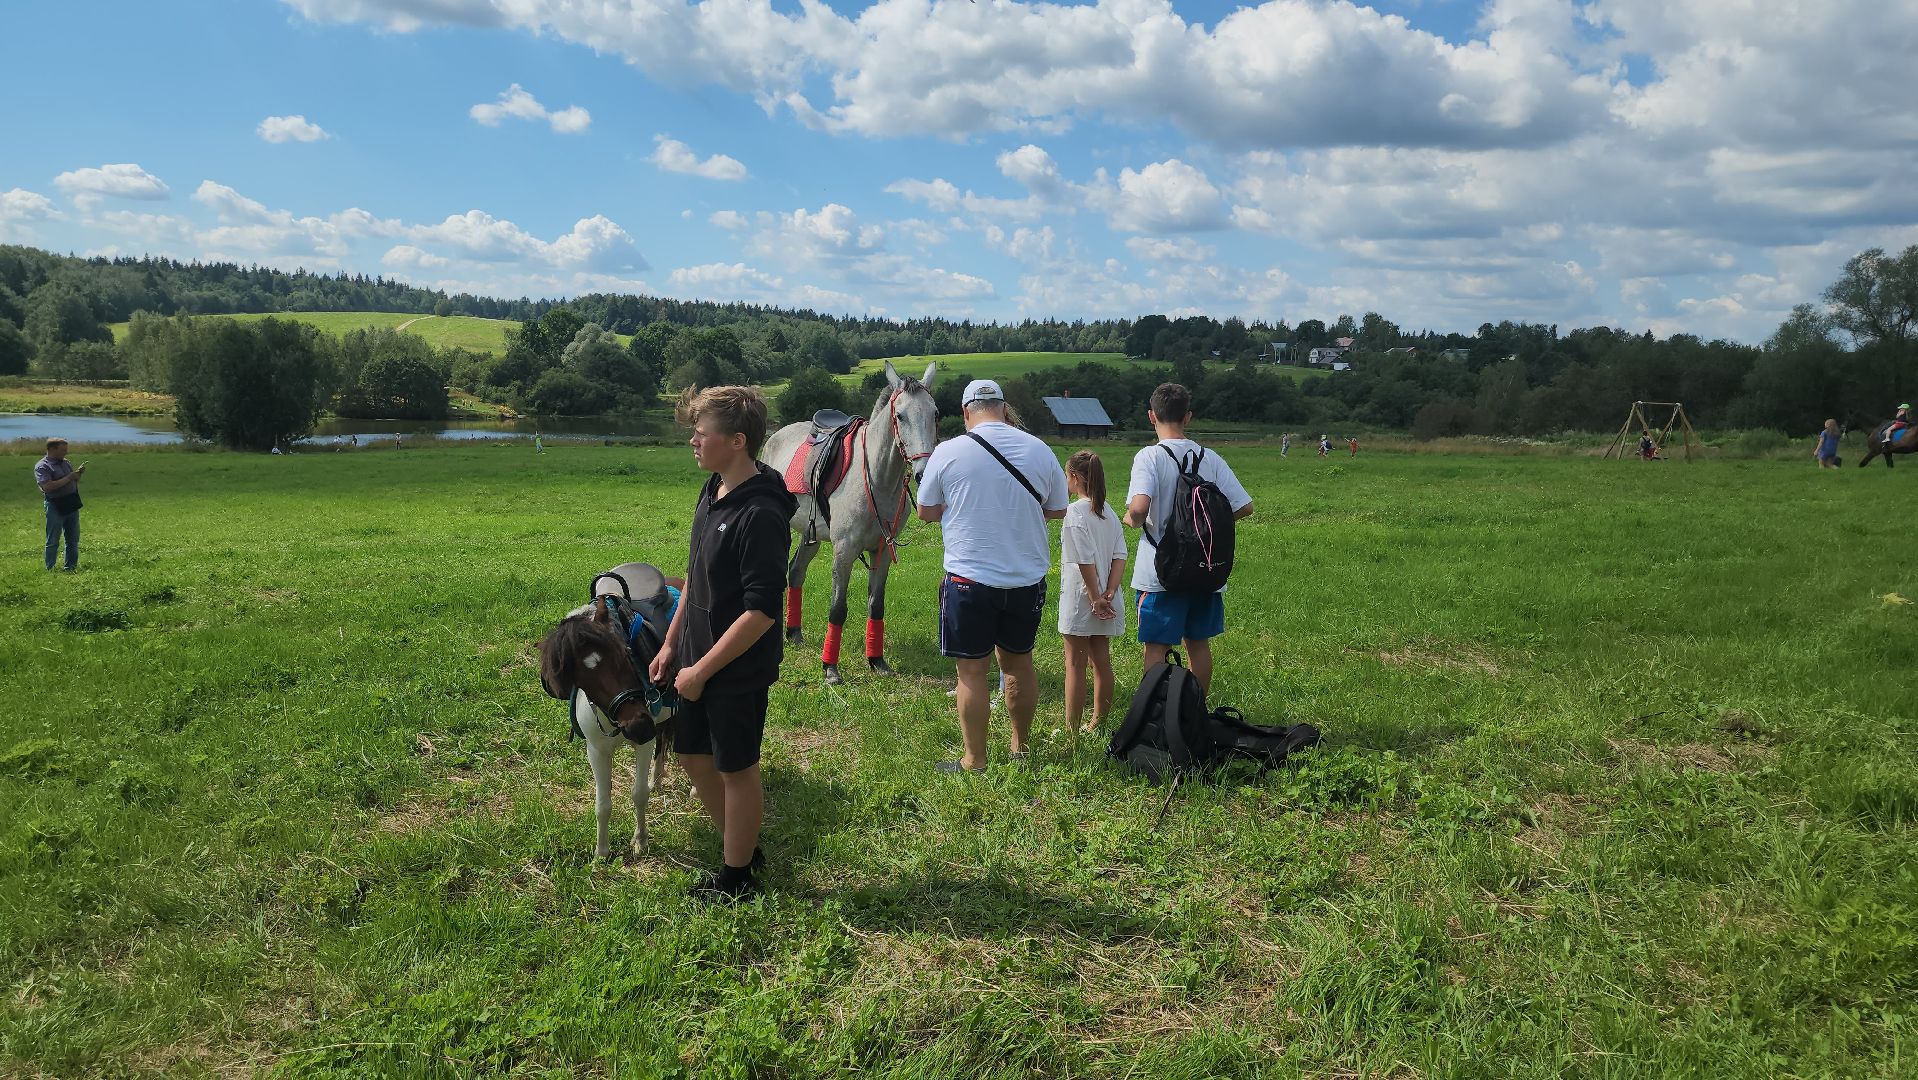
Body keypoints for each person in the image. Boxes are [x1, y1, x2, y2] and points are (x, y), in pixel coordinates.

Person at [649, 386, 796, 900]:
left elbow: (760, 614)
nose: (693, 440)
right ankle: (743, 844)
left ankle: (737, 878)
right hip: (695, 655)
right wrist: (671, 643)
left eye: (701, 433)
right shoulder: (713, 489)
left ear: (736, 441)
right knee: (693, 756)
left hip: (734, 667)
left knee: (736, 768)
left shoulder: (762, 515)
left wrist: (702, 671)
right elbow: (693, 575)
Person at [917, 379, 1069, 773]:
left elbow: (926, 512)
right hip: (1025, 579)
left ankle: (975, 759)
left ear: (966, 413)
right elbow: (1057, 509)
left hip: (968, 581)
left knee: (971, 671)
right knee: (1019, 665)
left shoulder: (948, 452)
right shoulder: (1039, 449)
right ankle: (1020, 749)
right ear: (1004, 408)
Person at [1122, 383, 1254, 695]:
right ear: (1188, 417)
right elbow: (1244, 506)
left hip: (1160, 571)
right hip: (1205, 567)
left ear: (1151, 416)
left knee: (1156, 646)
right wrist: (1204, 530)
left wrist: (1129, 519)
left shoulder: (1149, 457)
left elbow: (1139, 508)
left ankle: (1156, 715)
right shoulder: (1211, 458)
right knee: (1198, 644)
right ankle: (1194, 713)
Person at [1059, 450, 1127, 735]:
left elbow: (1084, 559)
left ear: (1074, 477)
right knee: (1101, 660)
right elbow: (1120, 555)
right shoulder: (1108, 512)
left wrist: (1095, 596)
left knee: (1074, 663)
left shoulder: (1075, 513)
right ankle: (1098, 722)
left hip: (1082, 598)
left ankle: (1072, 730)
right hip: (1107, 599)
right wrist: (1109, 591)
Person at [35, 437, 83, 572]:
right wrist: (69, 477)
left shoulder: (66, 463)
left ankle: (70, 568)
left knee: (73, 540)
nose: (66, 453)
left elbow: (73, 481)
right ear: (52, 449)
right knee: (53, 540)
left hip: (71, 503)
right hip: (55, 505)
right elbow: (47, 486)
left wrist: (77, 474)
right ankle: (50, 569)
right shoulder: (42, 466)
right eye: (63, 450)